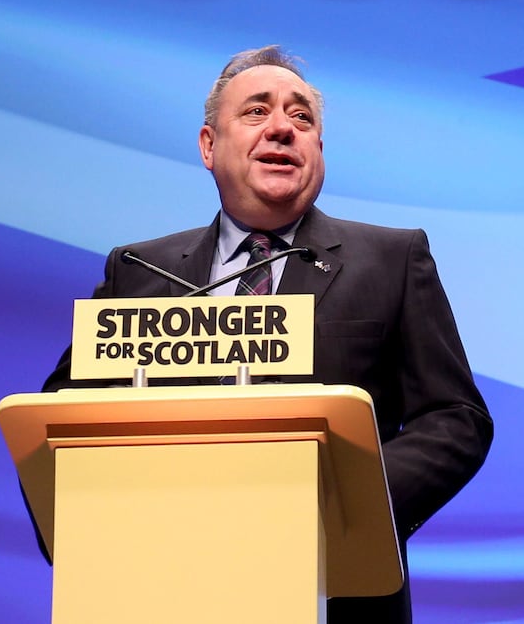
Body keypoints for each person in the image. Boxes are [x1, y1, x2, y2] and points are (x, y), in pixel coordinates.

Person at [41, 46, 492, 624]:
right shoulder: (139, 270)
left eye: (301, 118)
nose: (282, 127)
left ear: (319, 151)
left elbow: (455, 417)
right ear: (209, 146)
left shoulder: (392, 259)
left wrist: (343, 507)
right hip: (158, 584)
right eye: (256, 112)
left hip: (337, 592)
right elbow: (62, 417)